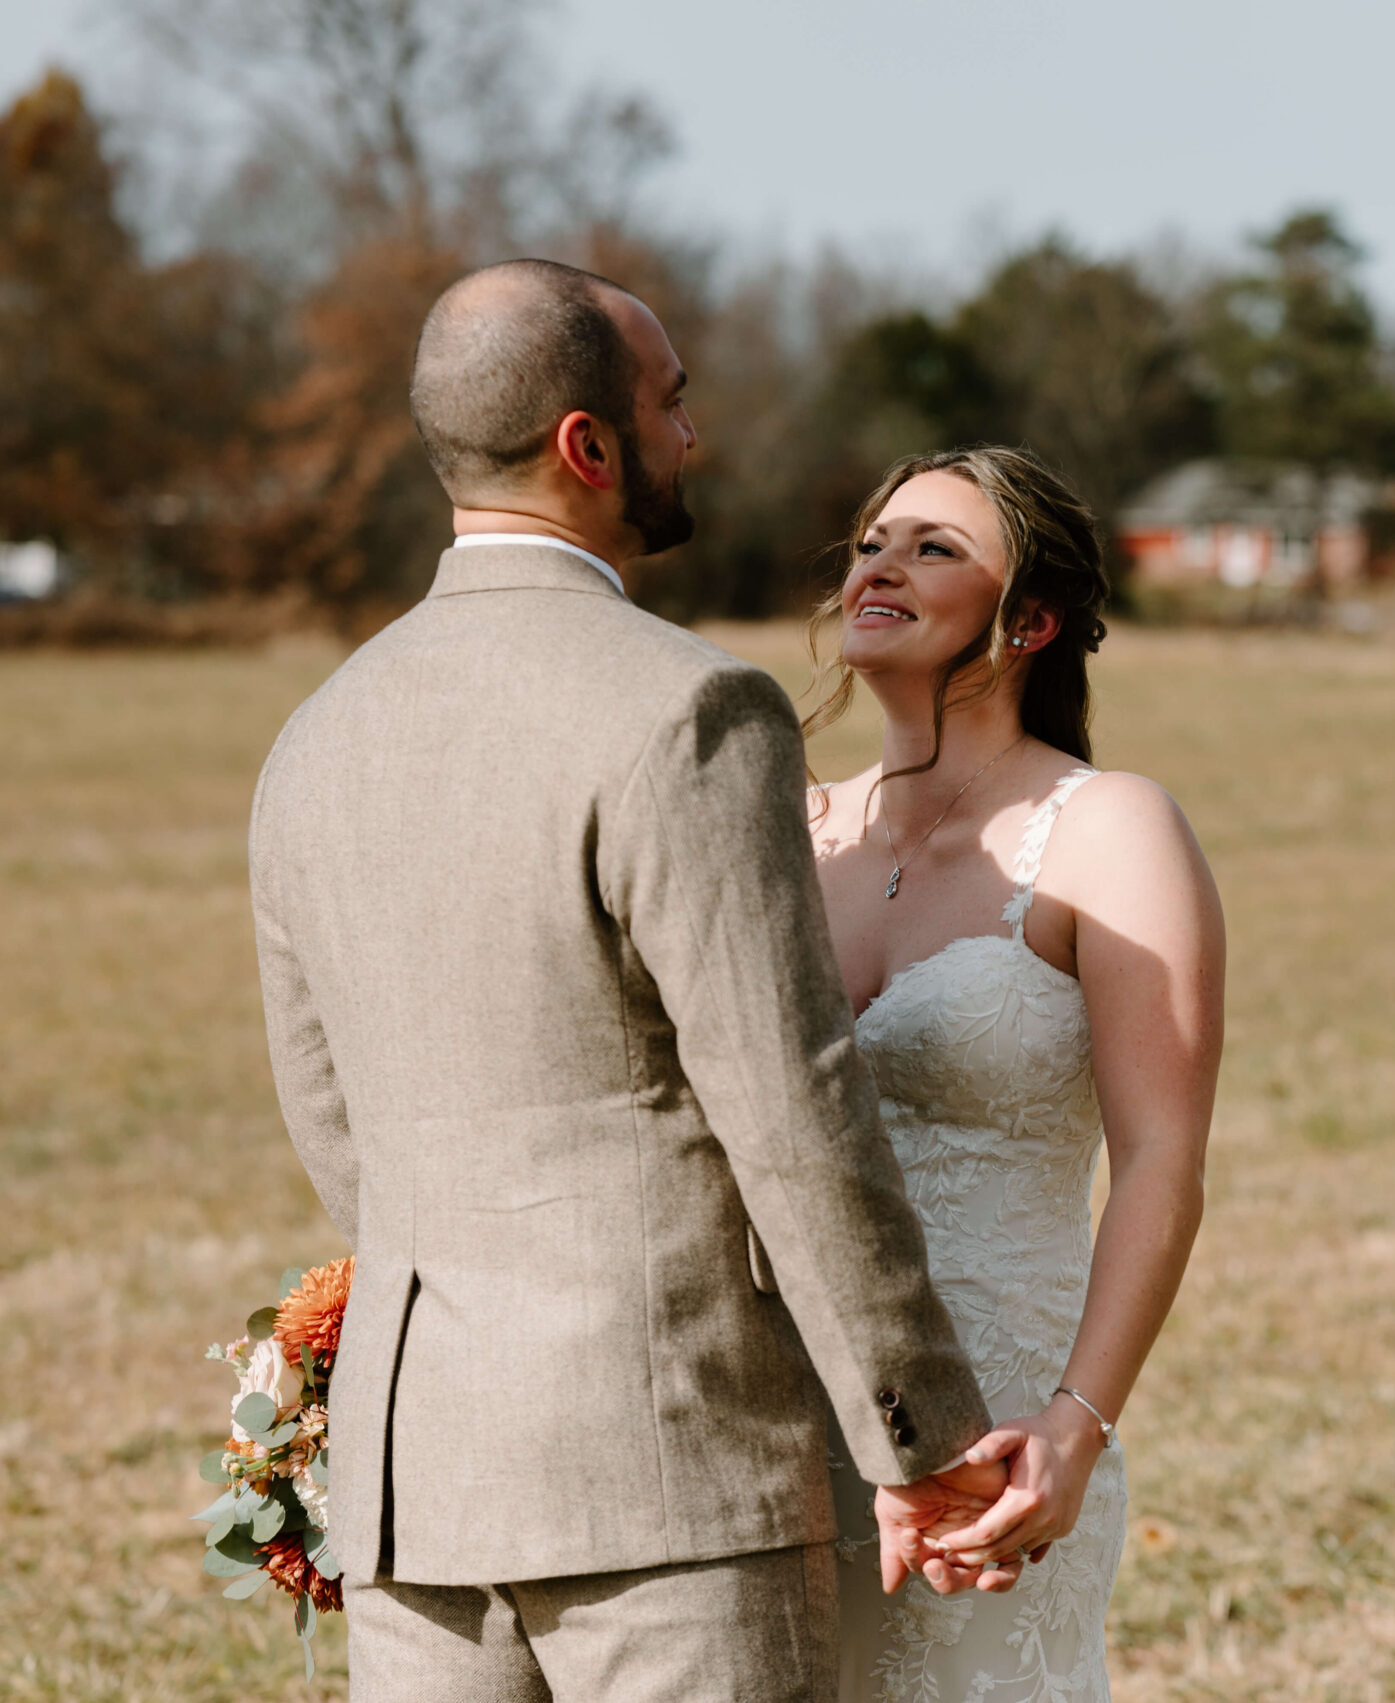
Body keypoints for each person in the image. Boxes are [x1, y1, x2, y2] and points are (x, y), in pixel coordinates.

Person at [247, 259, 1016, 1703]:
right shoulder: (691, 710)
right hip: (680, 1480)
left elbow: (330, 1113)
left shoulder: (313, 736)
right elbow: (791, 1109)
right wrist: (918, 1437)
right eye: (671, 403)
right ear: (584, 448)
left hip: (421, 1492)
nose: (692, 436)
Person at [805, 447, 1228, 1701]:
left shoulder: (1111, 829)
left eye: (935, 547)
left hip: (1000, 1432)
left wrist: (1074, 1425)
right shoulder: (777, 823)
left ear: (1029, 618)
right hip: (786, 1412)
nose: (880, 564)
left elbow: (1162, 1159)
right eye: (873, 540)